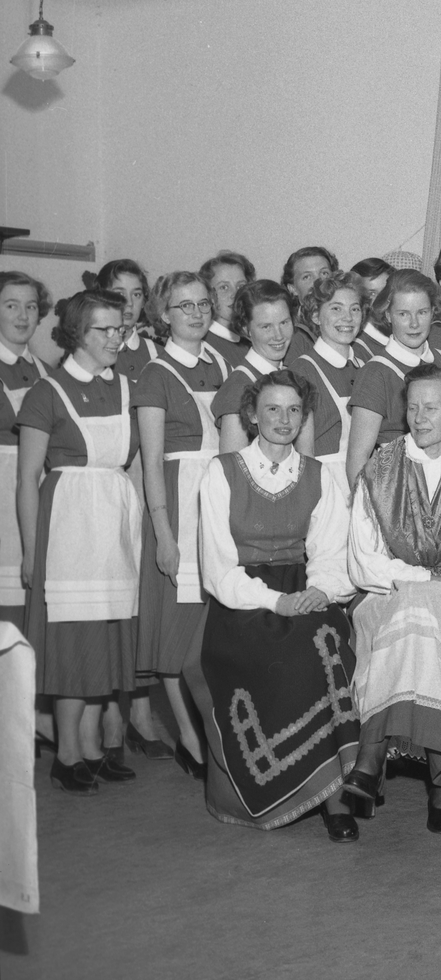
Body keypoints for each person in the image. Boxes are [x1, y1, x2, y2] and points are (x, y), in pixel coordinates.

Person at [187, 370, 361, 840]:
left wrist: (321, 591)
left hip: (302, 585)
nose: (284, 419)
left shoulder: (318, 474)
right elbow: (218, 571)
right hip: (242, 599)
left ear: (304, 417)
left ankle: (336, 792)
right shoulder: (222, 472)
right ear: (251, 415)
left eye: (294, 410)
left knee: (327, 640)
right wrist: (277, 602)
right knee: (285, 655)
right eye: (272, 409)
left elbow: (330, 553)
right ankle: (287, 787)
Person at [344, 364, 441, 834]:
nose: (419, 417)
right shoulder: (379, 469)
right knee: (416, 611)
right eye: (412, 407)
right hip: (387, 596)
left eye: (431, 407)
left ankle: (370, 754)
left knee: (421, 613)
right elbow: (364, 565)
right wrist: (434, 579)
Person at [18, 290, 142, 795]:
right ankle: (66, 752)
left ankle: (92, 745)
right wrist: (32, 552)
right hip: (70, 523)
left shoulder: (128, 387)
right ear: (76, 333)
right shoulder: (46, 393)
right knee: (73, 640)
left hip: (114, 522)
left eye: (120, 329)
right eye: (104, 330)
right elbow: (27, 479)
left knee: (106, 638)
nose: (116, 338)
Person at [132, 270, 231, 778]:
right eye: (184, 305)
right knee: (176, 629)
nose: (196, 313)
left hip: (217, 500)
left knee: (211, 628)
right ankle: (190, 741)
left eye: (202, 304)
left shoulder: (221, 363)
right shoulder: (155, 374)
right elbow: (150, 463)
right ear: (162, 316)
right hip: (177, 500)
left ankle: (215, 734)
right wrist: (164, 534)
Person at [346, 270, 441, 488]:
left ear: (433, 312)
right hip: (397, 486)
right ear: (388, 315)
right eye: (403, 314)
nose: (414, 323)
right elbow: (358, 457)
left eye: (422, 312)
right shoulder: (376, 372)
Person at [0, 271, 50, 621]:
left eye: (30, 306)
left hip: (38, 491)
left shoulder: (48, 372)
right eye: (11, 306)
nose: (22, 316)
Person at [289, 271, 366, 494]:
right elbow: (303, 454)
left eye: (355, 309)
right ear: (315, 316)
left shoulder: (366, 367)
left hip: (364, 480)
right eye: (336, 309)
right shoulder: (302, 371)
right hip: (325, 485)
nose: (348, 318)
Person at [211, 280, 306, 452]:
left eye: (284, 323)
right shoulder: (238, 389)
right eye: (266, 327)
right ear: (245, 329)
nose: (278, 335)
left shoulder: (289, 377)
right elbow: (233, 463)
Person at [96, 260, 158, 383]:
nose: (129, 303)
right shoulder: (89, 354)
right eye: (120, 293)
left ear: (144, 301)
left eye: (136, 294)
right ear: (101, 297)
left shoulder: (158, 354)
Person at [198, 251, 256, 368]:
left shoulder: (250, 340)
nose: (235, 294)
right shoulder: (204, 348)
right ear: (208, 294)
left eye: (241, 286)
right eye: (224, 287)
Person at [281, 246, 338, 359]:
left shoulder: (349, 321)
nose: (318, 282)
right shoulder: (290, 334)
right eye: (307, 277)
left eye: (324, 273)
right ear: (293, 288)